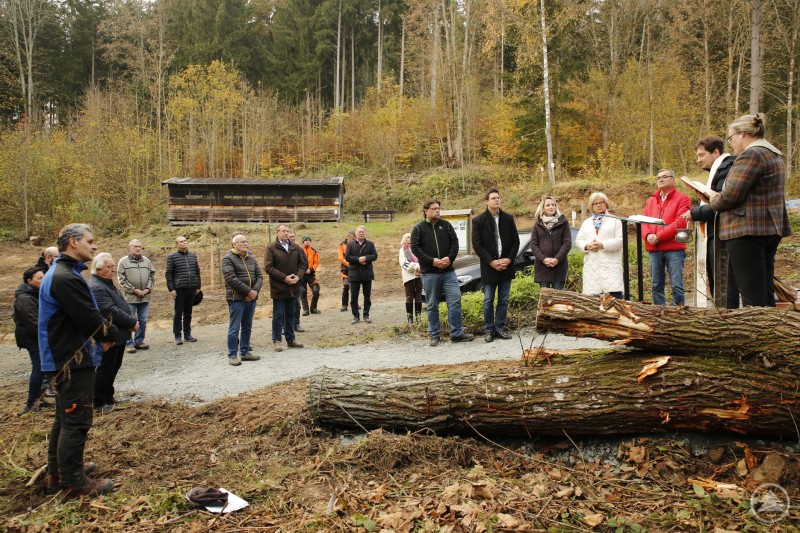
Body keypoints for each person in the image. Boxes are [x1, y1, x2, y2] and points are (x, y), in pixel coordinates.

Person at [39, 223, 119, 498]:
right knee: (76, 420)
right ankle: (73, 483)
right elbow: (89, 319)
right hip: (71, 360)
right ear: (73, 242)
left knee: (64, 419)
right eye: (90, 241)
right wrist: (112, 335)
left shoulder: (63, 274)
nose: (94, 246)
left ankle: (58, 471)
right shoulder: (65, 277)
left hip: (65, 357)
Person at [708, 113, 791, 307]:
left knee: (752, 294)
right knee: (763, 289)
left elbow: (730, 195)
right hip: (767, 228)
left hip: (747, 230)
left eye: (731, 138)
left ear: (743, 134)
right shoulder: (772, 153)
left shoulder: (751, 154)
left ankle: (757, 334)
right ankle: (768, 331)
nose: (732, 143)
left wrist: (712, 200)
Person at [680, 136, 738, 308]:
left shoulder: (727, 168)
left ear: (716, 152)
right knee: (716, 281)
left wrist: (695, 212)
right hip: (714, 231)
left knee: (723, 282)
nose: (698, 160)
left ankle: (727, 321)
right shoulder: (719, 169)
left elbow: (722, 202)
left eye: (701, 155)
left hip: (722, 233)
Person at [411, 200, 474, 346]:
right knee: (432, 304)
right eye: (434, 209)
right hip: (429, 272)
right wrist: (431, 261)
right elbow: (415, 248)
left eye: (439, 209)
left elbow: (455, 243)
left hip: (448, 271)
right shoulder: (418, 228)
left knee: (455, 300)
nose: (437, 211)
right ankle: (434, 335)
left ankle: (456, 334)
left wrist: (450, 258)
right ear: (426, 210)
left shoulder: (446, 226)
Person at [88, 253, 138, 414]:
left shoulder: (107, 283)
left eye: (113, 266)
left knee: (114, 367)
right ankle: (99, 401)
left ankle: (108, 397)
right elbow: (109, 310)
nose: (113, 269)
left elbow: (119, 304)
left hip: (119, 334)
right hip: (109, 335)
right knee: (105, 369)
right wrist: (131, 322)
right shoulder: (96, 286)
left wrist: (129, 320)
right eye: (110, 267)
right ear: (98, 268)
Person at [472, 188, 520, 343]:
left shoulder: (508, 218)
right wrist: (491, 262)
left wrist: (509, 259)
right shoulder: (478, 221)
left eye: (498, 198)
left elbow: (515, 241)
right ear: (487, 201)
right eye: (493, 198)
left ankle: (499, 328)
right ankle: (489, 330)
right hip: (489, 267)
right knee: (488, 300)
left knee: (504, 299)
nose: (497, 200)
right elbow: (477, 245)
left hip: (506, 266)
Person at [641, 169, 691, 305]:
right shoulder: (651, 200)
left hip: (674, 248)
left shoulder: (682, 198)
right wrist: (648, 235)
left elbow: (680, 222)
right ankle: (660, 313)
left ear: (673, 179)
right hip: (654, 248)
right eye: (658, 178)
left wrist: (659, 236)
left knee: (676, 285)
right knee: (656, 285)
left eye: (664, 177)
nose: (660, 180)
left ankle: (679, 314)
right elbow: (643, 221)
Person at [222, 233, 264, 366]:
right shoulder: (228, 258)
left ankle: (245, 352)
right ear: (234, 244)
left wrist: (255, 292)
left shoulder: (251, 257)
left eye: (246, 241)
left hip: (251, 299)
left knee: (247, 326)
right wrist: (249, 291)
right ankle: (232, 354)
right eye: (242, 242)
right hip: (236, 299)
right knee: (234, 328)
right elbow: (231, 279)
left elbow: (259, 276)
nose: (245, 244)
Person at [14, 266, 49, 414]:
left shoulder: (36, 293)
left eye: (44, 277)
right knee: (39, 368)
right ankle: (31, 405)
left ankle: (39, 400)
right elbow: (33, 323)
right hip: (31, 338)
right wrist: (47, 338)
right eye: (39, 278)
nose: (43, 280)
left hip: (37, 336)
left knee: (43, 368)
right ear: (29, 281)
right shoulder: (25, 298)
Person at [575, 192, 624, 299]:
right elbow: (579, 240)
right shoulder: (587, 222)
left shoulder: (615, 221)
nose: (598, 205)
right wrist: (587, 246)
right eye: (595, 203)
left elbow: (620, 241)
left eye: (601, 202)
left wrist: (603, 245)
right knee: (593, 302)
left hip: (610, 266)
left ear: (606, 204)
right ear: (591, 206)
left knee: (615, 299)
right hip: (592, 267)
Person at [264, 224, 305, 352]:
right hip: (279, 287)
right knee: (278, 315)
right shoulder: (271, 248)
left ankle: (291, 339)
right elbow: (268, 267)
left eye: (287, 231)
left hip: (293, 287)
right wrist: (284, 278)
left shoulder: (295, 247)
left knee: (291, 314)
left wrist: (298, 277)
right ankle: (277, 340)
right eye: (283, 231)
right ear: (277, 232)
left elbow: (302, 265)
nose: (286, 233)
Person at [117, 239, 155, 353]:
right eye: (135, 246)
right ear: (130, 247)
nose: (138, 248)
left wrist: (148, 289)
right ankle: (129, 343)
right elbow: (121, 279)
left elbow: (152, 276)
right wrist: (134, 290)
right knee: (130, 320)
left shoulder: (147, 261)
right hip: (130, 297)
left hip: (145, 297)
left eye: (139, 246)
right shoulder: (123, 262)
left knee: (143, 320)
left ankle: (139, 341)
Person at [165, 235, 201, 345]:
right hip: (179, 289)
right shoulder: (172, 257)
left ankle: (187, 334)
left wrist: (198, 286)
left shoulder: (193, 255)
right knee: (178, 313)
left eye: (185, 241)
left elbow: (197, 271)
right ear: (177, 244)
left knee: (188, 313)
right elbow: (168, 274)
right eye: (181, 241)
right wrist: (171, 289)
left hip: (191, 289)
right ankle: (177, 335)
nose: (184, 243)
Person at [530, 196, 571, 291]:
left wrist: (557, 259)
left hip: (559, 267)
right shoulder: (537, 224)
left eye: (553, 205)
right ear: (543, 208)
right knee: (545, 300)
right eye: (548, 205)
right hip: (542, 268)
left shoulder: (563, 223)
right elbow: (533, 244)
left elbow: (567, 243)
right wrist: (543, 259)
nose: (551, 207)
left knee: (557, 300)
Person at [346, 225, 378, 324]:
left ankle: (366, 315)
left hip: (367, 273)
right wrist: (358, 260)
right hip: (354, 274)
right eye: (359, 232)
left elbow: (374, 256)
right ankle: (355, 316)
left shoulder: (370, 244)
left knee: (367, 296)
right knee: (353, 297)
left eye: (362, 232)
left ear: (365, 233)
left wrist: (365, 258)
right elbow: (347, 257)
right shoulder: (350, 244)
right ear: (355, 233)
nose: (361, 233)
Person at [398, 233, 423, 324]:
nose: (410, 238)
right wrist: (416, 268)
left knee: (418, 296)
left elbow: (422, 259)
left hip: (419, 275)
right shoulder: (402, 250)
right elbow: (403, 263)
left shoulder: (417, 249)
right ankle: (410, 318)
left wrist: (420, 269)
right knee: (409, 296)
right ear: (404, 239)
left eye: (411, 236)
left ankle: (418, 317)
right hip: (409, 275)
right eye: (408, 237)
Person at [288, 230, 307, 333]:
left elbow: (304, 264)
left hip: (298, 281)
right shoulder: (283, 250)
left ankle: (296, 324)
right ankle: (284, 326)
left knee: (297, 304)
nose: (292, 238)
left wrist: (298, 276)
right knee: (284, 305)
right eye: (290, 236)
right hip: (285, 281)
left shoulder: (299, 249)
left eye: (293, 236)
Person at [300, 235, 321, 315]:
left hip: (311, 274)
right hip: (301, 275)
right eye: (306, 240)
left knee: (316, 290)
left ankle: (313, 308)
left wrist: (311, 269)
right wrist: (302, 270)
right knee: (303, 292)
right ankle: (305, 310)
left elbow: (316, 262)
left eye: (309, 240)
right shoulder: (299, 250)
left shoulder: (313, 251)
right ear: (303, 241)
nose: (307, 241)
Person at [338, 231, 355, 312]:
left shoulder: (357, 244)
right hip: (345, 269)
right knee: (346, 286)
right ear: (348, 238)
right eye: (352, 239)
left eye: (354, 239)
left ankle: (355, 303)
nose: (353, 240)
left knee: (355, 287)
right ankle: (344, 305)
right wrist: (348, 263)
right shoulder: (342, 245)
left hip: (354, 268)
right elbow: (340, 258)